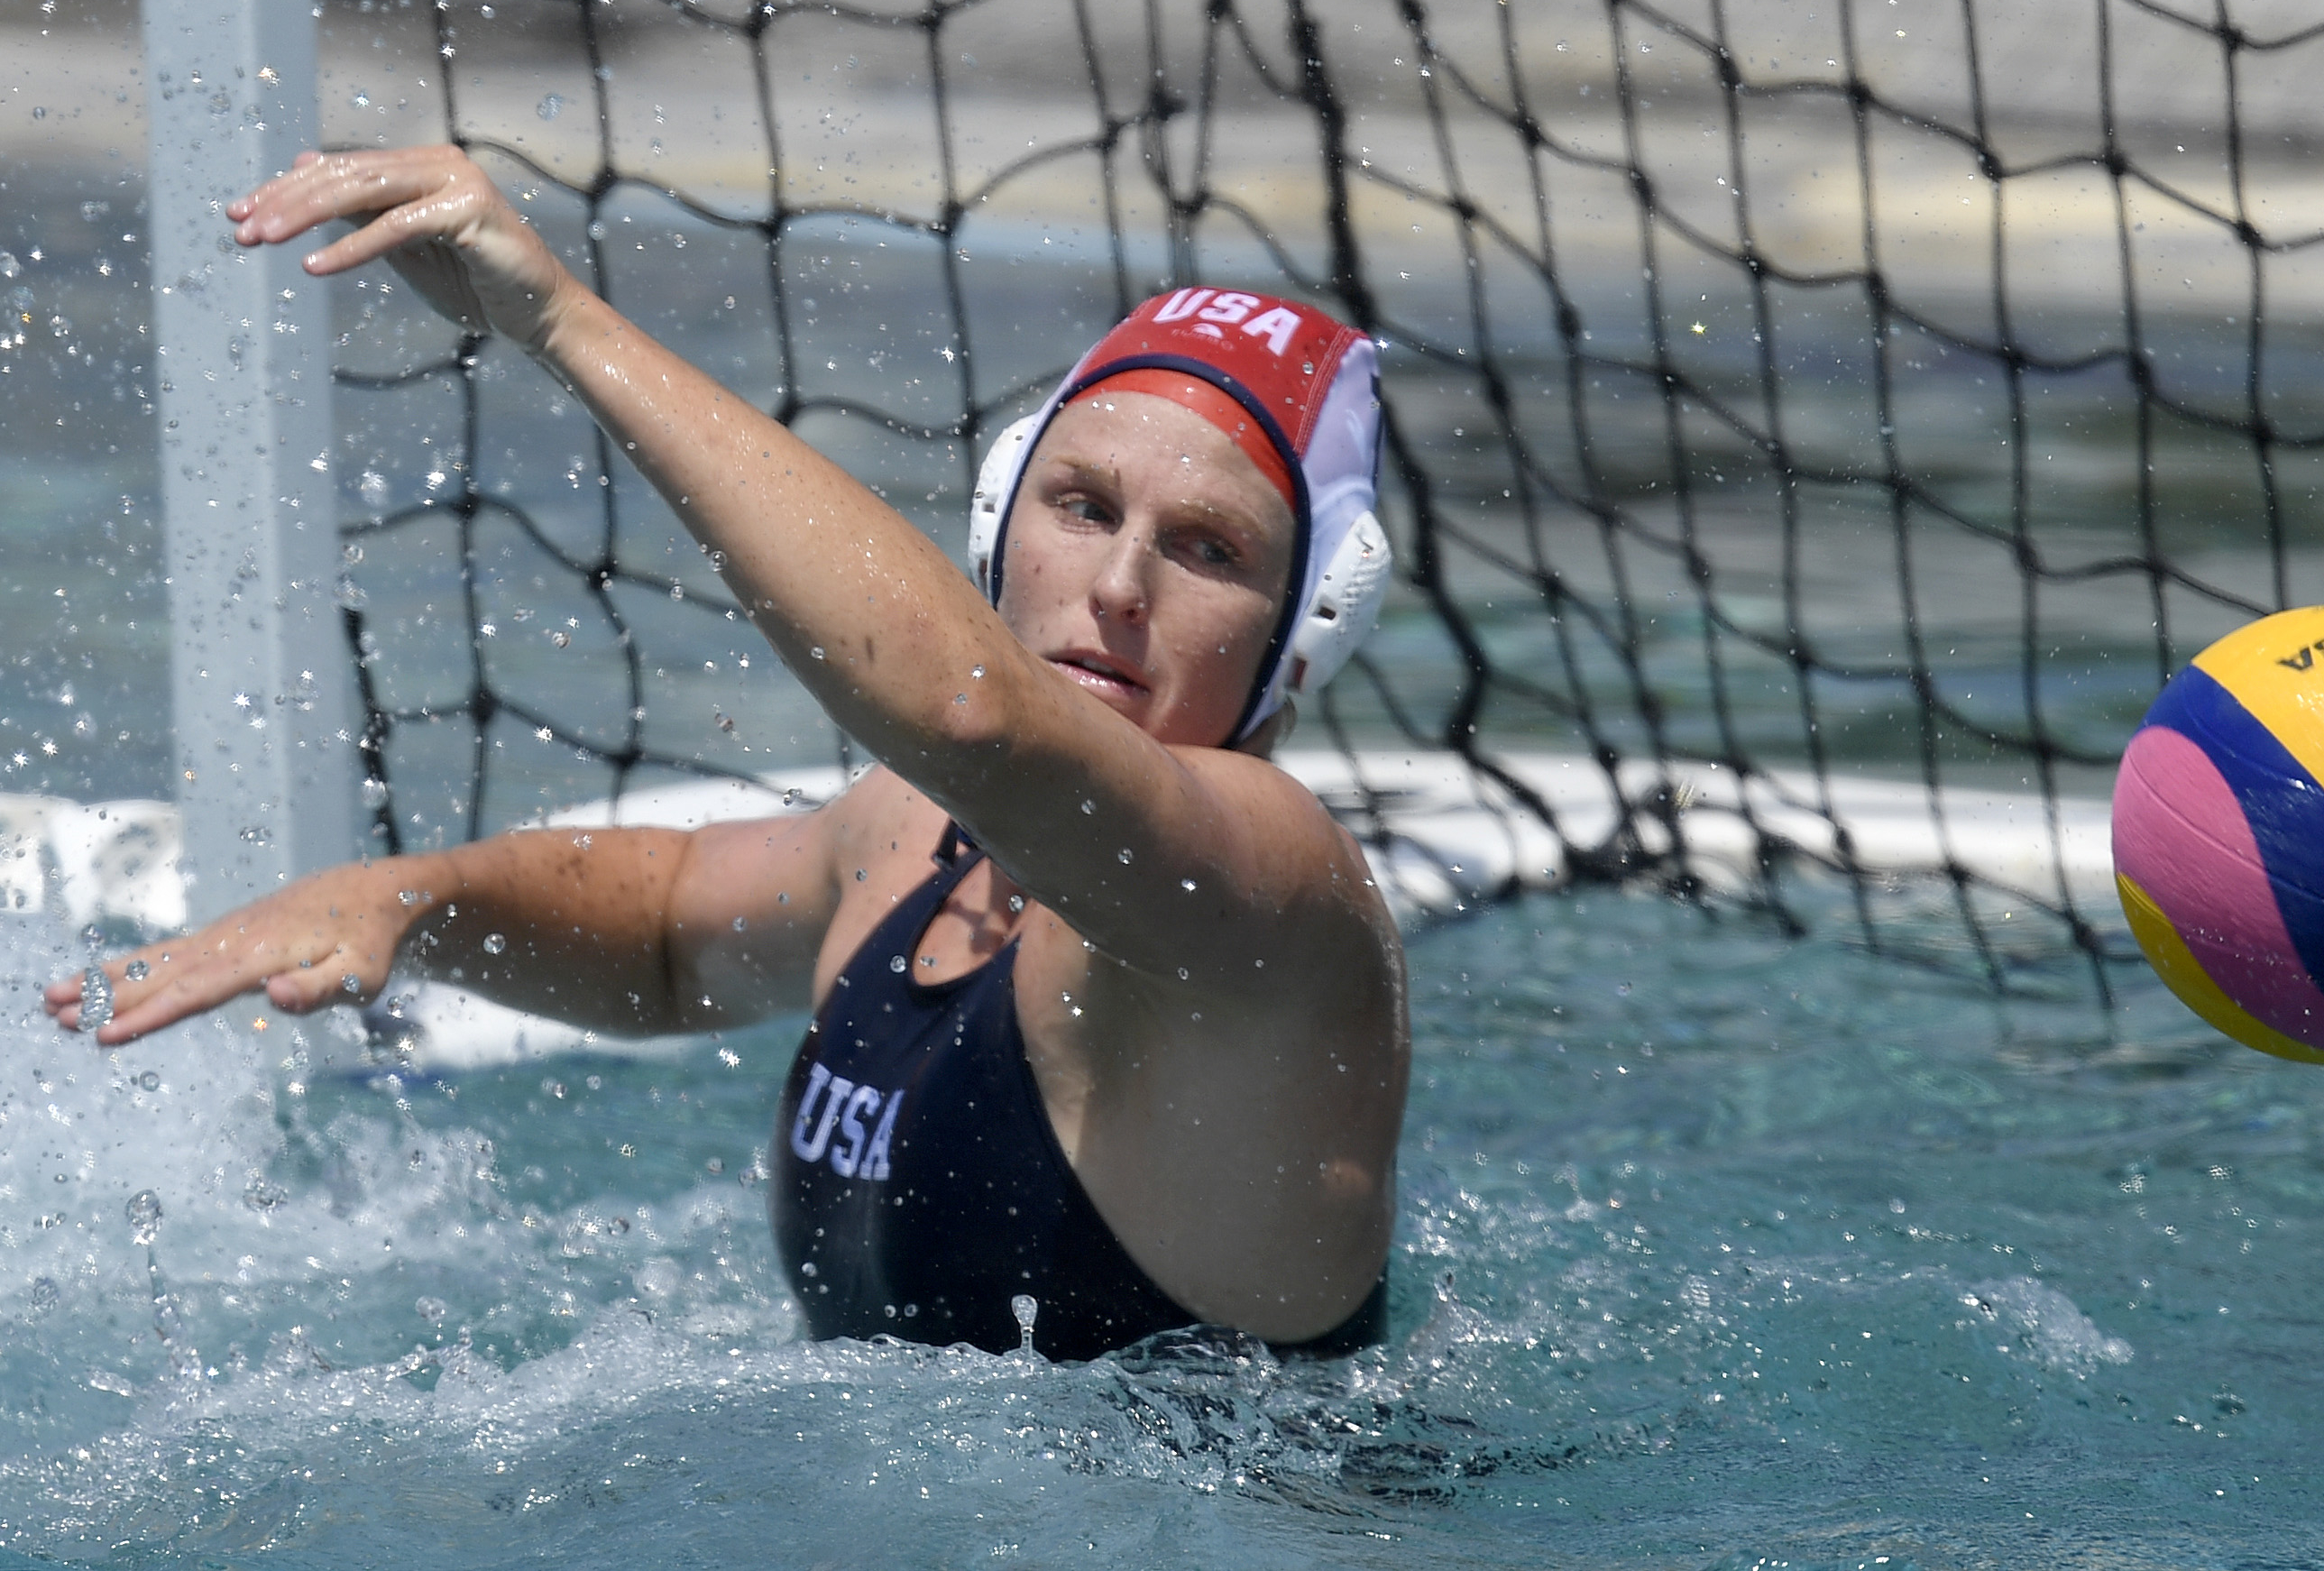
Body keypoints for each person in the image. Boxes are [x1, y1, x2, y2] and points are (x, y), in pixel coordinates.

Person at [45, 148, 1408, 1361]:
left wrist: (561, 322)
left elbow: (968, 711)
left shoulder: (1271, 902)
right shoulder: (907, 841)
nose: (1116, 584)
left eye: (1208, 550)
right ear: (1001, 523)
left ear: (1303, 636)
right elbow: (667, 936)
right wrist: (413, 900)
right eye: (1082, 504)